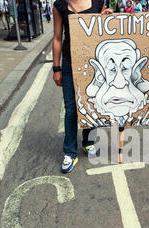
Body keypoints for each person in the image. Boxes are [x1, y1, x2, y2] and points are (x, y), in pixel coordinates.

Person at [53, 0, 113, 173]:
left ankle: (88, 142)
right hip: (69, 65)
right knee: (71, 109)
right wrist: (56, 68)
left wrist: (107, 20)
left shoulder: (98, 2)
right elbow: (57, 38)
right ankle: (70, 152)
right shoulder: (60, 6)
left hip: (93, 65)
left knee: (91, 106)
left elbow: (104, 35)